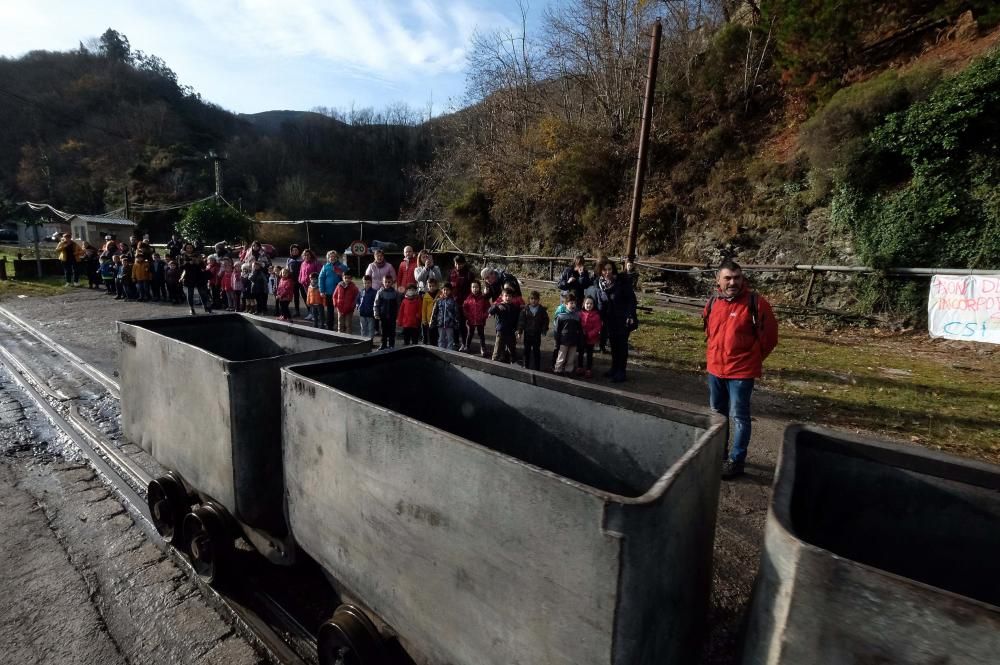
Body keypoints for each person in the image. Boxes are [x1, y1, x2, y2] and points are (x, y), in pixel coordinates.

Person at [703, 258, 778, 479]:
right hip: (715, 369)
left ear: (742, 279)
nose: (733, 282)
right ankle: (719, 453)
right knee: (718, 415)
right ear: (718, 279)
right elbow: (709, 331)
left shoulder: (756, 303)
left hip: (741, 373)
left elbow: (770, 338)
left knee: (739, 417)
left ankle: (736, 460)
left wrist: (752, 358)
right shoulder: (713, 303)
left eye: (737, 278)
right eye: (728, 278)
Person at [592, 259, 637, 383]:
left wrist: (630, 315)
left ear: (613, 270)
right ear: (600, 271)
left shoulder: (621, 281)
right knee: (613, 345)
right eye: (604, 270)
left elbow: (631, 300)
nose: (607, 272)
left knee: (621, 346)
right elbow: (601, 303)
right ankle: (614, 368)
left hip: (623, 319)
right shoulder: (600, 284)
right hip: (609, 320)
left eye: (610, 269)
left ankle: (621, 371)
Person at [517, 290, 549, 371]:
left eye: (535, 299)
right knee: (526, 351)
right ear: (529, 299)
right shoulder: (525, 310)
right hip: (527, 334)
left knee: (536, 351)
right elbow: (521, 322)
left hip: (536, 334)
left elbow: (545, 320)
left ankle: (537, 367)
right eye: (531, 299)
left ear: (538, 300)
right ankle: (525, 365)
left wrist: (544, 329)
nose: (533, 300)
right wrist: (520, 331)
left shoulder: (542, 310)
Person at [489, 287, 521, 363]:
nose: (508, 298)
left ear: (512, 298)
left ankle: (513, 360)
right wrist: (496, 306)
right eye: (506, 296)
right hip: (501, 331)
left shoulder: (515, 308)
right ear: (502, 297)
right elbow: (490, 310)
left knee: (512, 348)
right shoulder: (499, 306)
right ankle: (494, 360)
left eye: (510, 296)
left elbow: (517, 320)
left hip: (511, 332)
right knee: (498, 347)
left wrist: (517, 331)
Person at [553, 294, 583, 375]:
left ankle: (568, 370)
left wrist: (579, 339)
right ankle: (558, 370)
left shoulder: (577, 317)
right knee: (561, 357)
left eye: (574, 303)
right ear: (566, 304)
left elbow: (579, 330)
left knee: (571, 358)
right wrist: (557, 340)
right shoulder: (561, 316)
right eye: (571, 303)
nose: (573, 305)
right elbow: (557, 330)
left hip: (574, 340)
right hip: (564, 340)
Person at [320, 250, 348, 330]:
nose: (332, 258)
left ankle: (343, 326)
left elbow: (348, 276)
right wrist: (322, 290)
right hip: (329, 292)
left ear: (337, 258)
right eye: (330, 257)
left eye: (334, 256)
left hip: (340, 292)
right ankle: (330, 326)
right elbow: (321, 278)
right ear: (328, 258)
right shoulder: (325, 267)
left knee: (342, 309)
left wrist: (342, 273)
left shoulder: (342, 267)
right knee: (330, 310)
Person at [449, 255, 474, 343]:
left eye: (460, 264)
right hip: (453, 302)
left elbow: (472, 290)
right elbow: (448, 286)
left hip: (464, 303)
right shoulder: (451, 272)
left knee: (462, 324)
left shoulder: (469, 274)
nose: (457, 266)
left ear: (464, 263)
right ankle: (455, 342)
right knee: (454, 323)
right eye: (456, 263)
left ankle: (464, 343)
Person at [462, 280, 490, 356]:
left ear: (479, 288)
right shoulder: (468, 298)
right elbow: (464, 307)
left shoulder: (483, 298)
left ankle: (483, 348)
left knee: (481, 335)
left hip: (480, 321)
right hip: (471, 320)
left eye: (476, 287)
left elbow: (488, 308)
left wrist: (484, 316)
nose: (475, 289)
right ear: (471, 288)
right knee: (470, 334)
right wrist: (467, 316)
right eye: (473, 287)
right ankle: (467, 347)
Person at [431, 282, 460, 350]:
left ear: (451, 291)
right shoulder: (438, 301)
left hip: (450, 324)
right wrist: (432, 322)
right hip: (440, 324)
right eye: (444, 290)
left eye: (447, 290)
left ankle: (449, 353)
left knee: (450, 340)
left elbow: (456, 313)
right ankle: (441, 352)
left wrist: (456, 323)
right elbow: (434, 312)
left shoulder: (453, 301)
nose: (445, 291)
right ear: (442, 290)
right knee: (441, 339)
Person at [578, 295, 602, 378]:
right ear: (584, 304)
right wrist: (580, 333)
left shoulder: (596, 316)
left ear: (594, 305)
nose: (589, 305)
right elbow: (578, 325)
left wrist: (589, 334)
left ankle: (588, 369)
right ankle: (580, 367)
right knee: (580, 353)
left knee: (589, 354)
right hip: (581, 338)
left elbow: (597, 328)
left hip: (590, 339)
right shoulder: (580, 314)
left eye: (591, 304)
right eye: (587, 303)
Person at [373, 274, 399, 350]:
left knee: (392, 331)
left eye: (389, 282)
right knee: (384, 331)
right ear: (383, 282)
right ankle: (383, 344)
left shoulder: (395, 293)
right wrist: (376, 313)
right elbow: (376, 303)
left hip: (392, 316)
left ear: (392, 283)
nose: (387, 284)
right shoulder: (380, 292)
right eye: (386, 282)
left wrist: (397, 315)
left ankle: (391, 345)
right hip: (383, 315)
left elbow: (397, 304)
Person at [298, 249, 324, 320]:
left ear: (311, 255)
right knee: (309, 300)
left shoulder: (316, 263)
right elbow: (301, 272)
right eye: (304, 255)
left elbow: (320, 273)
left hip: (314, 286)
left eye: (308, 255)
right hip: (305, 285)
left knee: (316, 300)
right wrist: (300, 280)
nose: (306, 256)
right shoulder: (303, 263)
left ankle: (317, 314)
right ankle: (311, 313)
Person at [286, 244, 306, 316]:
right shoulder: (289, 259)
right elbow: (287, 270)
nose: (294, 251)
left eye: (296, 250)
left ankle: (310, 311)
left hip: (302, 280)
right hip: (293, 280)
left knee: (304, 295)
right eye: (293, 250)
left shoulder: (302, 258)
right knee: (296, 296)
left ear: (299, 251)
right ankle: (297, 311)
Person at [357, 274, 378, 338]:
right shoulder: (361, 291)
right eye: (365, 283)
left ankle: (370, 342)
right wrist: (358, 306)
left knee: (371, 329)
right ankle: (363, 342)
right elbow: (357, 300)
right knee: (363, 328)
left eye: (368, 283)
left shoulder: (374, 292)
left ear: (371, 283)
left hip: (370, 314)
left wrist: (375, 312)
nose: (366, 284)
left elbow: (376, 303)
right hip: (362, 314)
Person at [421, 278, 441, 346]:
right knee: (430, 336)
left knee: (438, 336)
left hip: (438, 319)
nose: (431, 288)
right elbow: (424, 309)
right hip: (429, 320)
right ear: (427, 286)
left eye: (433, 286)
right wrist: (424, 319)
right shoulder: (426, 296)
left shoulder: (440, 294)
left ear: (436, 286)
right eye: (430, 286)